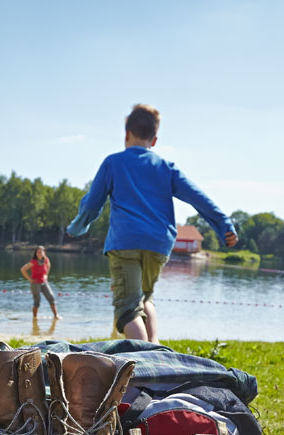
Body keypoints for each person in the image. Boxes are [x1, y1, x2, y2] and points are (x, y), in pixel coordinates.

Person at [66, 104, 237, 344]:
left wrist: (77, 227)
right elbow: (198, 197)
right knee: (146, 298)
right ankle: (154, 350)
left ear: (126, 134)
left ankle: (149, 358)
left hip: (125, 242)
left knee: (127, 309)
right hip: (158, 244)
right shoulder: (166, 168)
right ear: (154, 140)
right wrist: (224, 224)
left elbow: (92, 204)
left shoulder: (113, 163)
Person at [20, 246, 61, 321]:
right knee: (37, 301)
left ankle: (56, 315)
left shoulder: (46, 260)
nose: (39, 253)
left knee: (51, 297)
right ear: (35, 253)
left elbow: (49, 265)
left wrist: (46, 275)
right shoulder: (33, 262)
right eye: (38, 252)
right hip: (35, 284)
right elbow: (23, 269)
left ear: (44, 253)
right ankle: (34, 318)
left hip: (44, 282)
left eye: (41, 252)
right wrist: (30, 279)